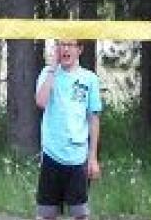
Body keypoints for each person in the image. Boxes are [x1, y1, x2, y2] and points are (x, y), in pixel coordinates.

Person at [35, 38, 102, 220]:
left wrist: (93, 157)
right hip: (51, 154)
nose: (65, 49)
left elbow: (93, 118)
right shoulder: (47, 73)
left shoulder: (89, 79)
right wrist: (52, 69)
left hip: (78, 156)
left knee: (80, 213)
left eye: (70, 45)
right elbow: (41, 102)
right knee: (46, 214)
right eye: (61, 44)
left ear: (79, 49)